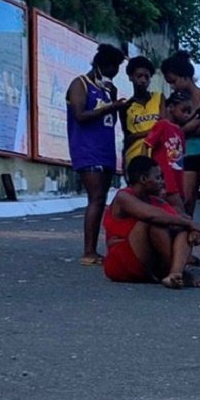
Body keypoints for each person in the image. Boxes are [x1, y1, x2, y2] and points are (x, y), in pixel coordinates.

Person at [161, 51, 200, 268]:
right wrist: (191, 124)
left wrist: (183, 129)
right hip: (188, 155)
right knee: (185, 204)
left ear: (185, 77)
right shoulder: (176, 102)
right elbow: (170, 129)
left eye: (174, 81)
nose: (173, 86)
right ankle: (184, 253)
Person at [102, 155, 200, 288]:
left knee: (181, 227)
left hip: (149, 263)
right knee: (154, 222)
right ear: (143, 179)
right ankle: (178, 272)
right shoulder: (123, 196)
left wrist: (193, 230)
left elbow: (182, 218)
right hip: (122, 263)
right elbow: (152, 216)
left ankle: (175, 273)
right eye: (158, 178)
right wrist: (190, 224)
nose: (162, 182)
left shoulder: (157, 201)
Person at [66, 42, 128, 265]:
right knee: (96, 198)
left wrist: (113, 100)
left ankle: (94, 249)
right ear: (103, 65)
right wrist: (110, 107)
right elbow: (80, 115)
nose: (115, 74)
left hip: (106, 149)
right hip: (87, 148)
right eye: (113, 69)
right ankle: (88, 251)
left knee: (101, 200)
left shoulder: (107, 89)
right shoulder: (79, 84)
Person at [142, 90, 195, 208]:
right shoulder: (162, 125)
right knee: (179, 214)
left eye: (189, 112)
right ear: (171, 107)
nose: (186, 115)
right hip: (165, 182)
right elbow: (146, 145)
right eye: (183, 110)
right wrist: (146, 170)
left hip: (177, 183)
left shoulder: (180, 132)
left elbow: (180, 162)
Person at [120, 56, 163, 167]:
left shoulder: (159, 98)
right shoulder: (126, 107)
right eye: (139, 76)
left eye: (147, 77)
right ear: (130, 77)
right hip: (135, 159)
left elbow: (164, 126)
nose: (143, 80)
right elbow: (127, 138)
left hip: (158, 155)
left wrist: (137, 135)